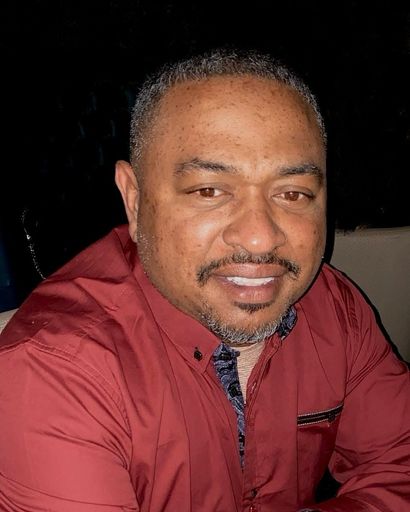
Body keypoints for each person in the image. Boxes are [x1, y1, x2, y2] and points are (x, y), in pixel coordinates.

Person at [0, 50, 409, 512]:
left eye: (293, 193)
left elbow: (400, 464)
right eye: (209, 191)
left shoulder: (334, 307)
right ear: (134, 200)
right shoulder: (53, 374)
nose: (260, 237)